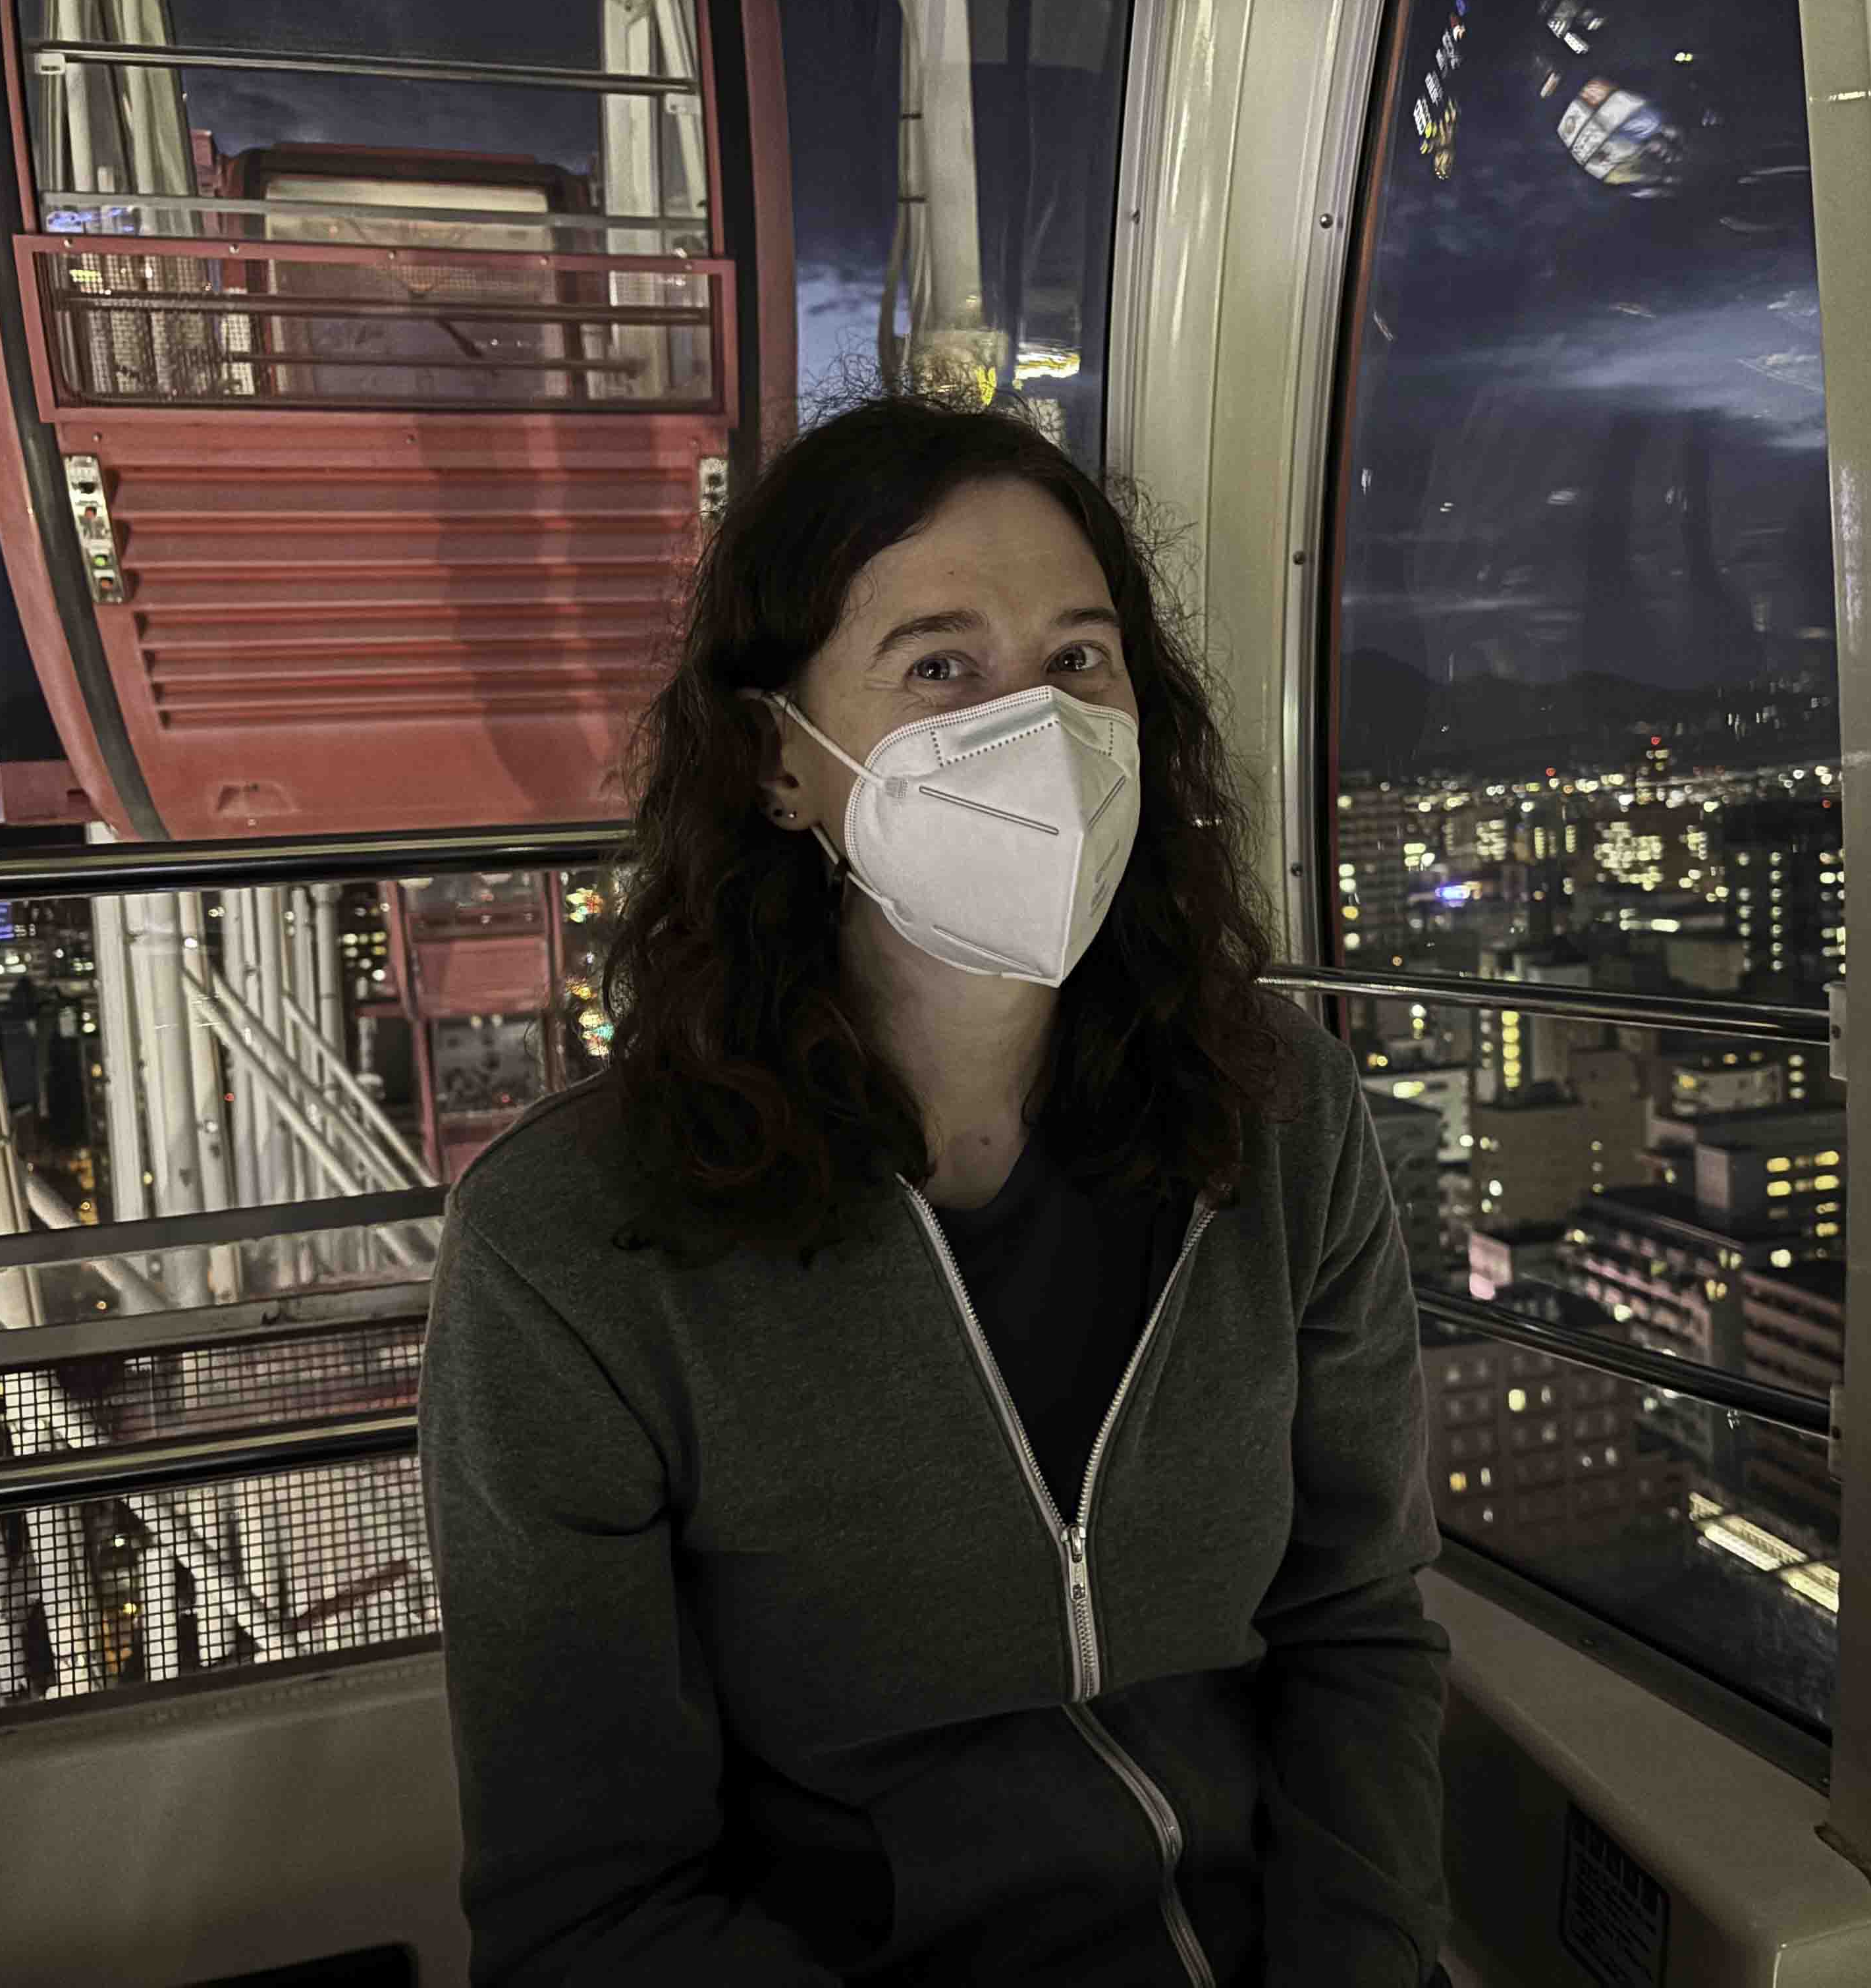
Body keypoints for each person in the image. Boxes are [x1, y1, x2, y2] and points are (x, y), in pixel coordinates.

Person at [418, 393, 1453, 1986]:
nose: (1036, 730)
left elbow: (1357, 1624)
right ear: (780, 759)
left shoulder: (1278, 1112)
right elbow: (592, 1908)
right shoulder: (575, 1246)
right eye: (940, 668)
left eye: (1079, 659)